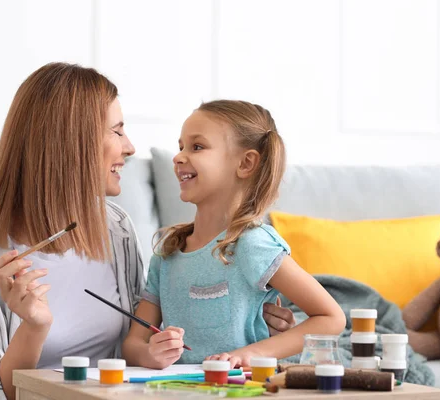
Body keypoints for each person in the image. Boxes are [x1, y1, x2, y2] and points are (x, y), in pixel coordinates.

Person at [0, 63, 295, 400]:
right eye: (117, 130)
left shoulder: (116, 228)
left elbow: (139, 339)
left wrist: (247, 319)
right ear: (70, 142)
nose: (130, 147)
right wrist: (33, 328)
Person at [123, 100, 346, 369]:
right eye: (180, 146)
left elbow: (331, 317)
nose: (178, 156)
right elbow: (133, 344)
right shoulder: (167, 253)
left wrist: (252, 354)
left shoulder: (253, 245)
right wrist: (150, 354)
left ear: (246, 163)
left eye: (197, 146)